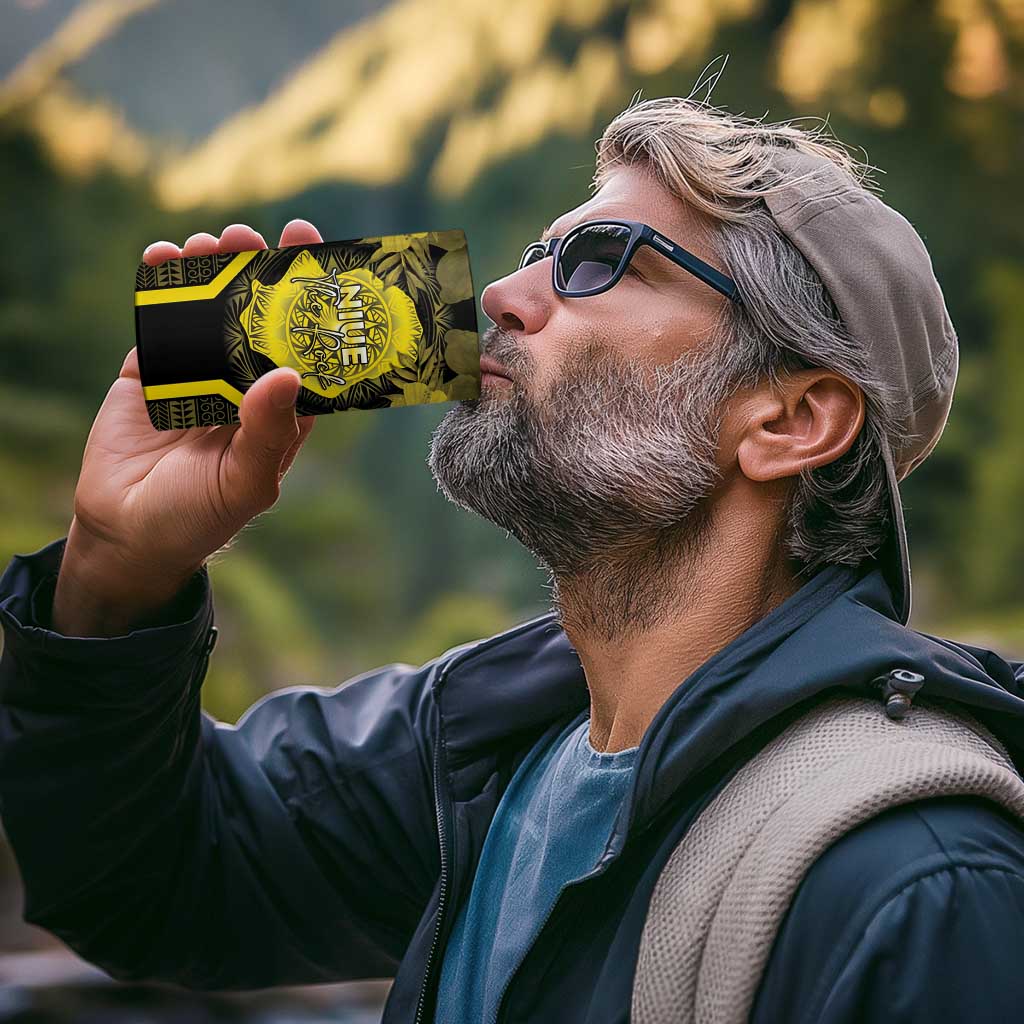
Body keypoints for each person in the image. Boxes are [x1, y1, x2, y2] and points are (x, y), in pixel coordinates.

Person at [2, 95, 1024, 1024]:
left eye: (600, 261)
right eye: (540, 251)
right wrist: (116, 571)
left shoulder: (918, 884)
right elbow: (149, 880)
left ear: (791, 419)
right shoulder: (479, 749)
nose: (500, 292)